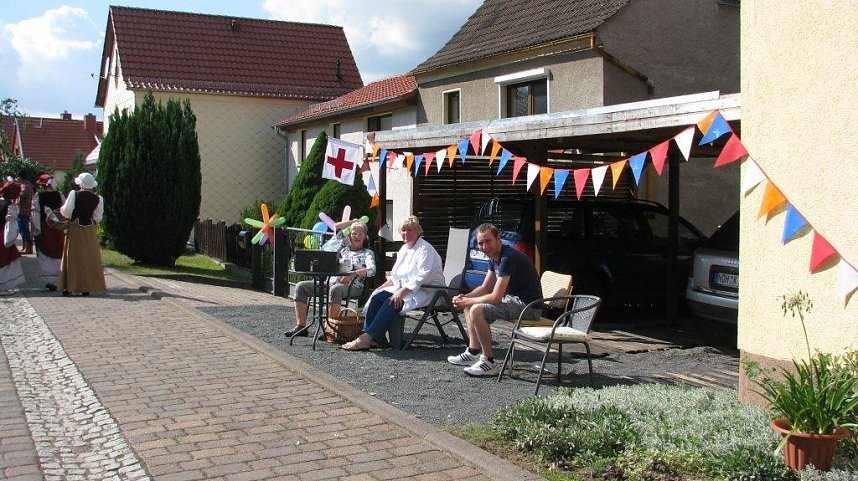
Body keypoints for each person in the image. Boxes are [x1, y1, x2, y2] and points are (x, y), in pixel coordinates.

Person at [448, 223, 542, 377]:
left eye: (488, 241)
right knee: (469, 305)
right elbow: (485, 287)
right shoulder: (494, 257)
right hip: (514, 301)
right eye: (480, 243)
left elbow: (495, 297)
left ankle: (489, 362)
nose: (484, 246)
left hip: (529, 307)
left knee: (477, 310)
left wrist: (469, 301)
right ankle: (473, 351)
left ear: (498, 239)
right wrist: (465, 298)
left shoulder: (508, 258)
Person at [342, 216, 444, 351]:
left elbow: (422, 276)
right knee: (377, 296)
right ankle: (376, 338)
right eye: (403, 230)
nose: (406, 233)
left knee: (393, 300)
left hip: (427, 290)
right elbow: (396, 274)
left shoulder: (425, 249)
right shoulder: (404, 249)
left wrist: (402, 291)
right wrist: (385, 285)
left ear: (418, 231)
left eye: (410, 230)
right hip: (407, 287)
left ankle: (366, 338)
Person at [286, 220, 376, 337]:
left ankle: (329, 329)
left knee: (335, 290)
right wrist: (353, 222)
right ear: (350, 235)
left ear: (365, 236)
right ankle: (301, 327)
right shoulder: (344, 247)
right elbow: (336, 227)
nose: (357, 236)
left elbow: (372, 270)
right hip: (332, 282)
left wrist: (353, 274)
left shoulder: (367, 253)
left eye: (360, 233)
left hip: (354, 286)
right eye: (354, 233)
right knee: (301, 287)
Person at [58, 172, 106, 296]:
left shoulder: (74, 194)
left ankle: (70, 286)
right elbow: (97, 217)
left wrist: (63, 212)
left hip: (75, 227)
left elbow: (66, 212)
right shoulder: (98, 198)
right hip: (89, 229)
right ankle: (86, 287)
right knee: (88, 257)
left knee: (74, 257)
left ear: (80, 183)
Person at [31, 174, 66, 291]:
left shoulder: (38, 197)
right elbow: (64, 211)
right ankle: (60, 278)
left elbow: (35, 215)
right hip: (57, 227)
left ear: (42, 185)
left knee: (46, 253)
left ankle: (50, 281)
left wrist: (36, 229)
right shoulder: (59, 195)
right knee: (58, 250)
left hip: (45, 227)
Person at [0, 181, 25, 291]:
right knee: (5, 259)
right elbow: (11, 223)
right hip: (3, 234)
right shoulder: (10, 206)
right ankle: (3, 284)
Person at [16, 170, 34, 255]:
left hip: (24, 210)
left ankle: (28, 248)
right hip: (23, 210)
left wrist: (15, 192)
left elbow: (22, 194)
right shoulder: (27, 184)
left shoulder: (26, 185)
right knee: (22, 229)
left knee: (24, 229)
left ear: (20, 176)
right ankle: (24, 247)